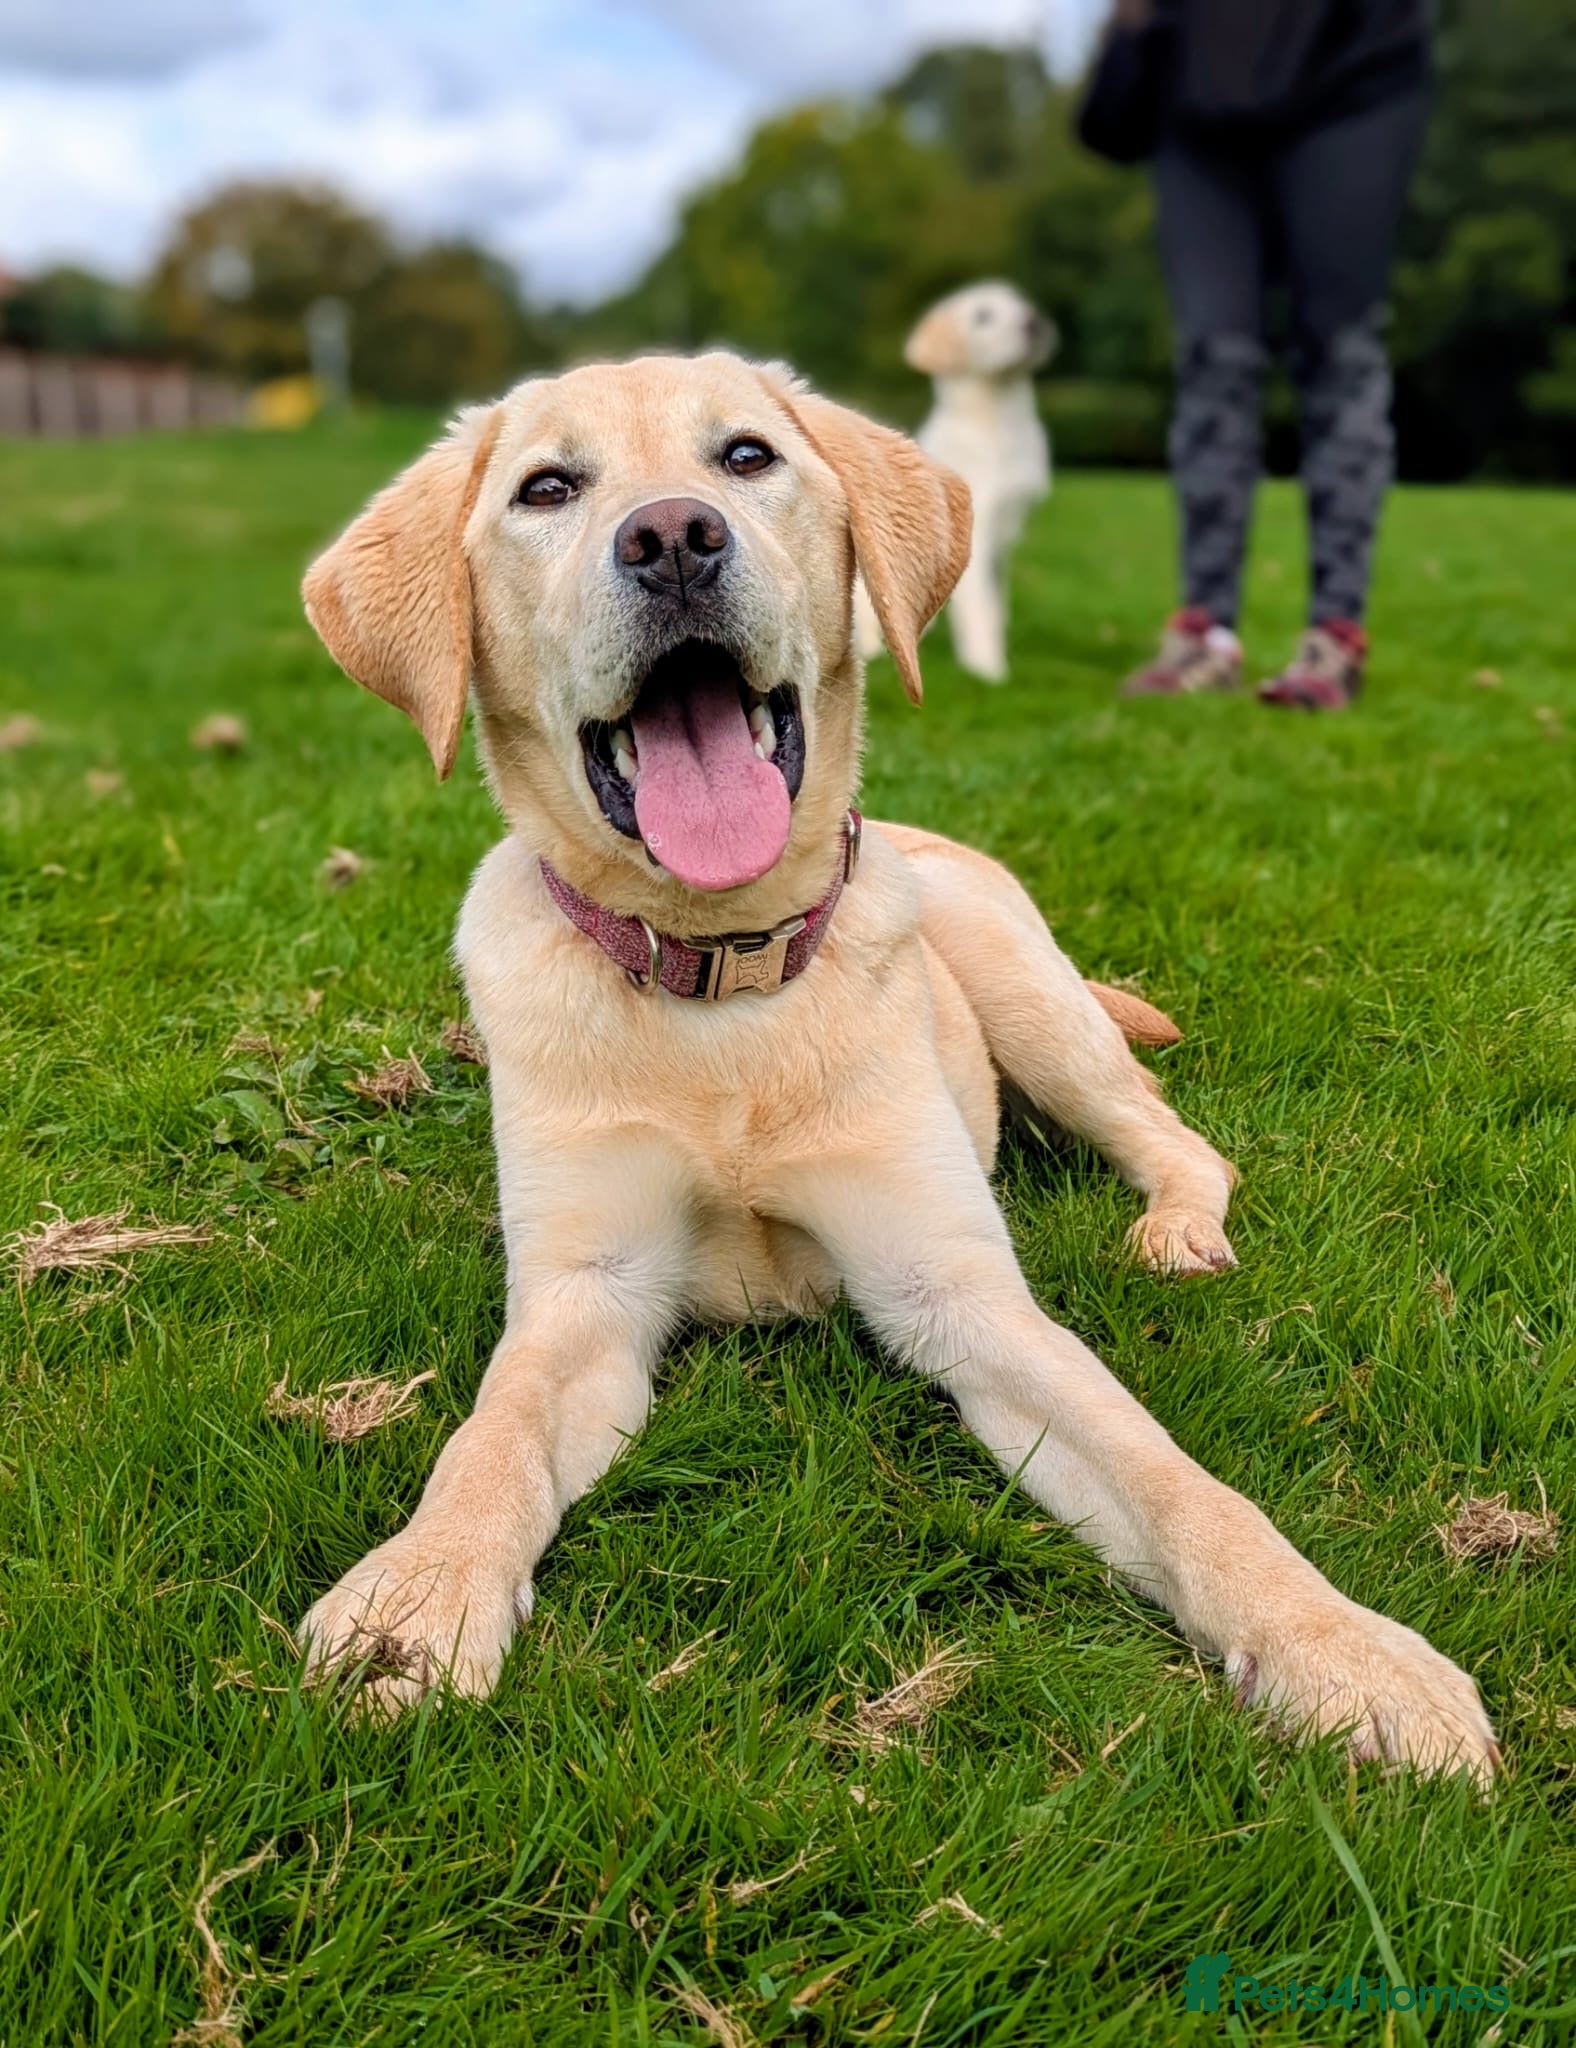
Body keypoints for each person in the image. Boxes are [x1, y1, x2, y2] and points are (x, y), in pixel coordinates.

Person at [1083, 1, 1434, 708]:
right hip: (1199, 97)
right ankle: (1205, 633)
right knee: (1213, 360)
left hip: (1351, 76)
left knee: (1341, 354)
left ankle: (1336, 638)